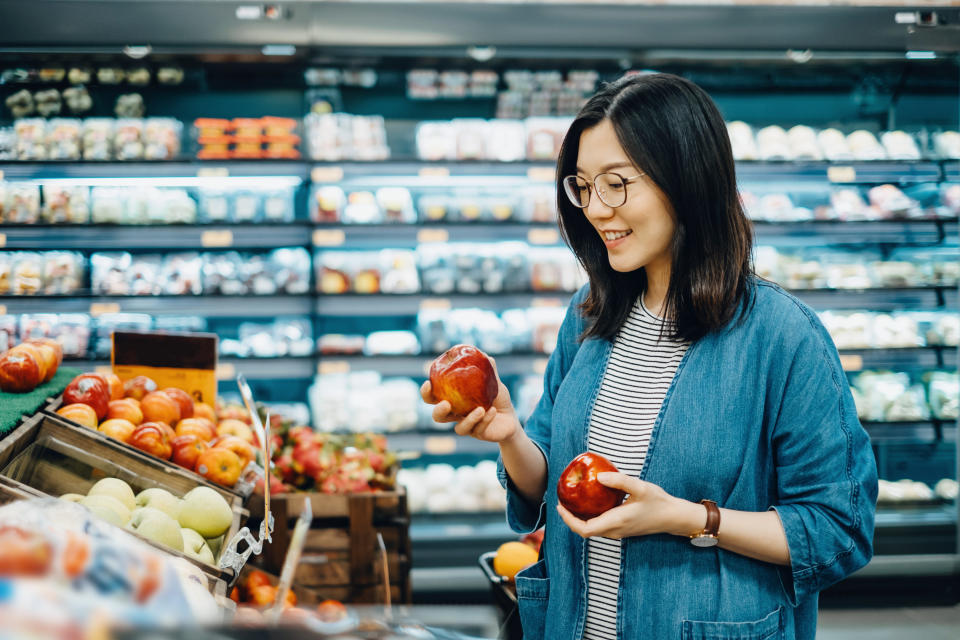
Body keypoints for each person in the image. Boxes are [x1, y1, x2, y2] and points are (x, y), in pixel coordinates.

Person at [421, 73, 878, 640]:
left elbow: (838, 527)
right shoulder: (588, 317)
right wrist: (511, 435)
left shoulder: (783, 338)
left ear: (686, 179)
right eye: (583, 186)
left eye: (616, 183)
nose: (595, 208)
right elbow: (545, 487)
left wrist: (688, 518)